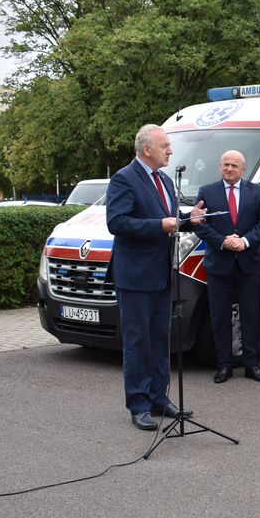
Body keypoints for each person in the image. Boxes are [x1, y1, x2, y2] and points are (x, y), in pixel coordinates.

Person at [105, 124, 193, 431]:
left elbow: (170, 220)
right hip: (135, 277)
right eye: (165, 145)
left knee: (160, 340)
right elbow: (117, 222)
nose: (170, 150)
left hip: (162, 274)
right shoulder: (124, 178)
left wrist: (190, 220)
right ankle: (139, 404)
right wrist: (159, 225)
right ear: (146, 149)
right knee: (138, 342)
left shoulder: (166, 180)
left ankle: (159, 398)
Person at [193, 150, 260, 384]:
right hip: (219, 263)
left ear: (243, 169)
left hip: (248, 264)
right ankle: (224, 365)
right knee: (219, 317)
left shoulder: (257, 191)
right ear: (220, 166)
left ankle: (252, 364)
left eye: (234, 166)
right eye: (226, 164)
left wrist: (245, 241)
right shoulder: (207, 192)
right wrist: (223, 241)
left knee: (251, 315)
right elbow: (200, 225)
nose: (229, 169)